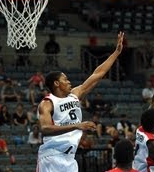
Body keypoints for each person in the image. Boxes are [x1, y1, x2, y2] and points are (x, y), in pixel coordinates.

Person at [37, 32, 124, 172]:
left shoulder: (75, 95)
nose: (69, 81)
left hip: (70, 158)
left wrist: (116, 53)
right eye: (65, 79)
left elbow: (97, 74)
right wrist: (76, 125)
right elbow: (45, 129)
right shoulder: (47, 103)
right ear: (56, 83)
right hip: (51, 156)